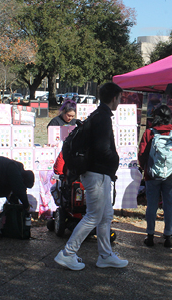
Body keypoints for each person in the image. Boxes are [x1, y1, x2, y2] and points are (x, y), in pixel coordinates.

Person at [54, 82, 128, 271]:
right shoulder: (102, 118)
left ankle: (105, 255)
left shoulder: (97, 115)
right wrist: (114, 160)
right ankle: (68, 253)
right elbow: (103, 149)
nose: (119, 102)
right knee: (94, 216)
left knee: (105, 215)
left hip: (96, 173)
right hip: (97, 174)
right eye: (119, 98)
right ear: (114, 98)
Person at [138, 105, 172, 248]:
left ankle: (150, 235)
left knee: (151, 205)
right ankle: (168, 236)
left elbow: (142, 154)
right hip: (171, 175)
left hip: (152, 175)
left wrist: (144, 168)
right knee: (169, 204)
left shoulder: (149, 132)